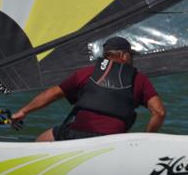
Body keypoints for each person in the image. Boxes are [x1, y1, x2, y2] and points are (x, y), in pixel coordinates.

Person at [12, 36, 166, 142]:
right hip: (111, 140)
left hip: (76, 134)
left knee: (42, 140)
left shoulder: (87, 72)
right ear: (124, 56)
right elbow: (159, 112)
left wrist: (23, 111)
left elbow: (53, 93)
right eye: (131, 56)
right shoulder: (139, 79)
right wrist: (146, 139)